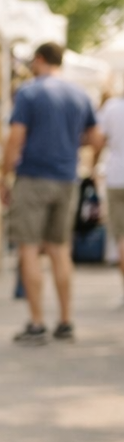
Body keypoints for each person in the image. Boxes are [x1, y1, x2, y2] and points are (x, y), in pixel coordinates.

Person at [1, 42, 103, 345]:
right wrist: (73, 148)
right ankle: (66, 320)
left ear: (39, 59)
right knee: (60, 250)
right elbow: (96, 139)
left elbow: (15, 138)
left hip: (33, 178)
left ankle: (36, 323)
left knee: (29, 249)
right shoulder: (78, 94)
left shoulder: (30, 92)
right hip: (66, 178)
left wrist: (3, 176)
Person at [97, 86, 124, 298]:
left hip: (116, 177)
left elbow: (99, 140)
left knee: (122, 236)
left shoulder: (112, 108)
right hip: (115, 176)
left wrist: (94, 162)